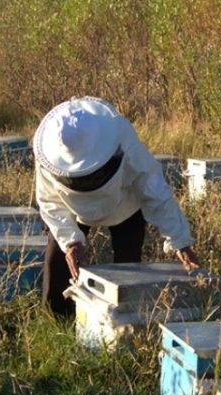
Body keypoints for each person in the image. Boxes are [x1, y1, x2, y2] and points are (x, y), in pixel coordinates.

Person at [33, 96, 200, 316]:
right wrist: (70, 241)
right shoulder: (47, 152)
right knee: (57, 266)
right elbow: (49, 201)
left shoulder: (122, 137)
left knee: (128, 273)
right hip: (71, 208)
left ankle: (126, 322)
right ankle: (57, 319)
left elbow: (154, 188)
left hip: (124, 204)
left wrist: (180, 241)